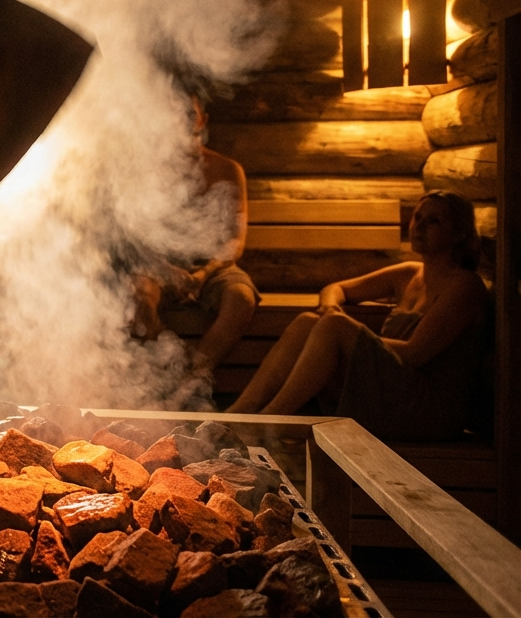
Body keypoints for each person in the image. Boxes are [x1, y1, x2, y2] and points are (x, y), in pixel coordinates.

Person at [226, 191, 488, 441]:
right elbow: (336, 289)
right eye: (418, 217)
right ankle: (238, 411)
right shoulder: (410, 273)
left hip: (428, 407)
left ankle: (271, 421)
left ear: (459, 233)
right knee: (310, 321)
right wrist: (330, 309)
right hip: (393, 387)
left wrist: (344, 331)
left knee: (333, 325)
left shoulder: (464, 286)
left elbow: (415, 353)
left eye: (434, 221)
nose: (419, 226)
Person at [131, 71, 258, 397]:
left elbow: (235, 241)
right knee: (139, 295)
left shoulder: (228, 169)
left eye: (191, 114)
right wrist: (167, 270)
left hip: (215, 266)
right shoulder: (150, 173)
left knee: (241, 298)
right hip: (164, 264)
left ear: (203, 119)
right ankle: (165, 370)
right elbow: (141, 236)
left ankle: (192, 376)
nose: (183, 121)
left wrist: (203, 274)